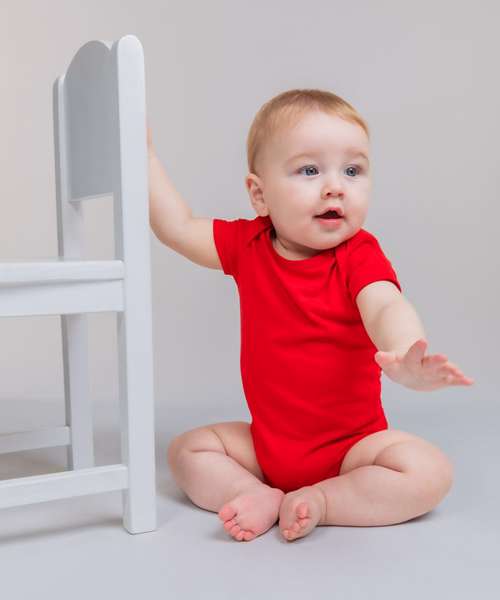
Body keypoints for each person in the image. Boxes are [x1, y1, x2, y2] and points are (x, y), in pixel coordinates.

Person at [148, 89, 474, 543]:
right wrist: (143, 154)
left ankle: (325, 499)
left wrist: (403, 353)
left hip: (354, 451)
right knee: (187, 450)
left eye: (352, 170)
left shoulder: (359, 254)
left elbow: (385, 305)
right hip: (267, 447)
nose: (335, 186)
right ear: (259, 195)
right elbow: (178, 228)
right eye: (309, 170)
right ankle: (252, 491)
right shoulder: (248, 246)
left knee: (429, 471)